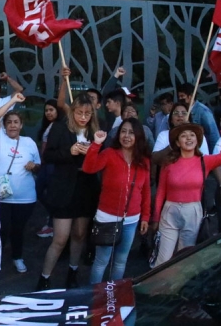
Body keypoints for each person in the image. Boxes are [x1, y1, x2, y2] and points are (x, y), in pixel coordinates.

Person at [37, 93, 100, 291]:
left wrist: (93, 151)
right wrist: (69, 151)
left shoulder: (96, 131)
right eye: (79, 113)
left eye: (87, 113)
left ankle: (73, 272)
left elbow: (103, 159)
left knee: (80, 234)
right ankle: (44, 277)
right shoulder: (60, 127)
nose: (83, 117)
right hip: (64, 187)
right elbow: (48, 155)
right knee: (60, 238)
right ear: (72, 112)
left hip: (86, 187)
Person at [83, 118, 151, 283]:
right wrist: (96, 144)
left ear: (138, 136)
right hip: (107, 216)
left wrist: (145, 217)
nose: (126, 136)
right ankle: (94, 297)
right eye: (123, 131)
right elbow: (88, 168)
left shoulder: (143, 161)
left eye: (131, 132)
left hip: (132, 219)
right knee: (101, 261)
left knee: (120, 261)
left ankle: (114, 296)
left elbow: (146, 191)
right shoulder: (109, 154)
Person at [152, 123, 221, 266]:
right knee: (163, 260)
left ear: (197, 141)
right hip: (170, 211)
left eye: (192, 135)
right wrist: (156, 218)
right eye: (183, 135)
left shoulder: (205, 161)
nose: (188, 138)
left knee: (184, 259)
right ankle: (158, 288)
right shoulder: (168, 162)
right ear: (177, 142)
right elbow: (161, 192)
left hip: (193, 212)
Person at [0, 93, 40, 273]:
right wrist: (13, 101)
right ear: (4, 126)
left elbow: (38, 166)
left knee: (18, 230)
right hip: (1, 197)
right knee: (0, 230)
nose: (12, 125)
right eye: (9, 122)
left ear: (21, 125)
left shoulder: (29, 142)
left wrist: (34, 166)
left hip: (25, 198)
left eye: (16, 122)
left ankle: (17, 257)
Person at [35, 99, 62, 239]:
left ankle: (52, 224)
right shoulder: (48, 126)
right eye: (46, 110)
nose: (48, 113)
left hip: (53, 166)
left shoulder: (60, 126)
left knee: (51, 194)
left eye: (51, 110)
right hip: (45, 165)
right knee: (38, 191)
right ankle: (52, 218)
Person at [152, 102, 209, 166]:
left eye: (184, 113)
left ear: (189, 119)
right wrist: (172, 145)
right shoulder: (163, 135)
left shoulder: (198, 136)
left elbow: (204, 160)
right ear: (171, 120)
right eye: (176, 113)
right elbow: (155, 159)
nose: (180, 115)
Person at [177, 83, 220, 150]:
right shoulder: (181, 110)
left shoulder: (203, 112)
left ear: (190, 96)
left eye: (182, 96)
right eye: (179, 96)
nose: (180, 99)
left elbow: (213, 134)